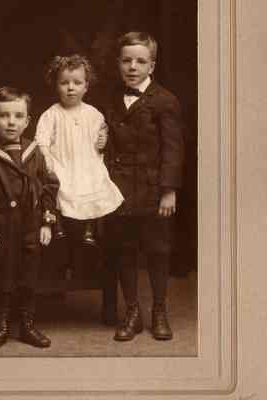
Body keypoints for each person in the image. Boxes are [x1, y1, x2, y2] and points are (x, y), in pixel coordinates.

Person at [0, 86, 59, 351]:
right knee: (1, 276)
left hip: (31, 224)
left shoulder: (34, 152)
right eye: (4, 115)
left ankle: (27, 326)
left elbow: (49, 186)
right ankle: (0, 326)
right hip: (2, 225)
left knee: (29, 276)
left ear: (28, 121)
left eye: (18, 116)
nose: (11, 122)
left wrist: (47, 221)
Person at [103, 32, 185, 341]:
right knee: (124, 250)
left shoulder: (165, 101)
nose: (132, 67)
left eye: (140, 61)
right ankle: (132, 312)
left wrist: (169, 190)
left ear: (152, 65)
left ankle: (159, 311)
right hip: (119, 190)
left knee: (157, 251)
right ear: (118, 64)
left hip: (153, 191)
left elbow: (173, 149)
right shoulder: (111, 98)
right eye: (126, 61)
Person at [35, 54, 123, 246]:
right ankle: (57, 223)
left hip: (86, 162)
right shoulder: (51, 114)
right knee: (59, 184)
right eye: (64, 83)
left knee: (94, 182)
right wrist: (46, 156)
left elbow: (102, 135)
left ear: (86, 86)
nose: (71, 87)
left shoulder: (93, 114)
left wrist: (103, 140)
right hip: (62, 161)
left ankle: (89, 227)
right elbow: (42, 140)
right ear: (56, 85)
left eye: (77, 82)